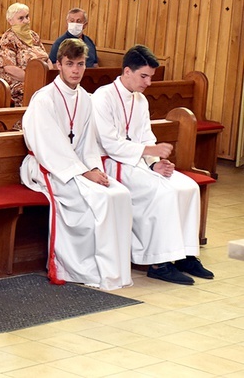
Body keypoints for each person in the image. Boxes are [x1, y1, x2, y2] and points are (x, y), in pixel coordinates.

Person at [92, 45, 214, 285]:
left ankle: (186, 255)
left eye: (150, 77)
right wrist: (149, 152)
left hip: (138, 161)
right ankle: (159, 262)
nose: (148, 83)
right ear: (127, 71)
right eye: (143, 76)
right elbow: (109, 143)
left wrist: (155, 163)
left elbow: (147, 136)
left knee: (187, 187)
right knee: (163, 192)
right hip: (113, 164)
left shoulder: (140, 100)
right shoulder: (102, 97)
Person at [20, 38, 133, 290]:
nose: (75, 70)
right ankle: (77, 268)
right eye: (69, 64)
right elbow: (48, 147)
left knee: (120, 195)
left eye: (80, 64)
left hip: (78, 167)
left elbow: (89, 143)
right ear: (58, 65)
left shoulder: (85, 98)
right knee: (87, 203)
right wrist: (83, 173)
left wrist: (93, 168)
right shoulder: (44, 99)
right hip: (47, 167)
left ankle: (113, 270)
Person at [0, 2, 51, 106]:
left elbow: (46, 59)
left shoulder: (34, 36)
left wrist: (48, 77)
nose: (26, 21)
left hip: (39, 79)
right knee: (37, 93)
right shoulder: (8, 39)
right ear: (10, 21)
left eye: (27, 16)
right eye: (21, 18)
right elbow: (9, 68)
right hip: (16, 82)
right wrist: (34, 79)